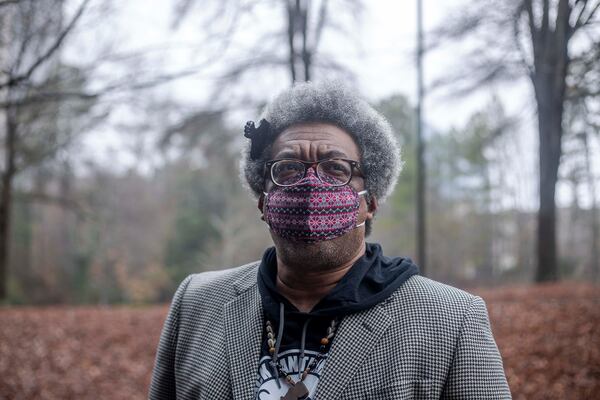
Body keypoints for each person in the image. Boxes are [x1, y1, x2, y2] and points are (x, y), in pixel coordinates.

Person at [149, 81, 511, 400]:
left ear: (369, 203)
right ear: (263, 200)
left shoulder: (449, 320)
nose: (310, 187)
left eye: (336, 168)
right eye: (288, 167)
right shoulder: (197, 303)